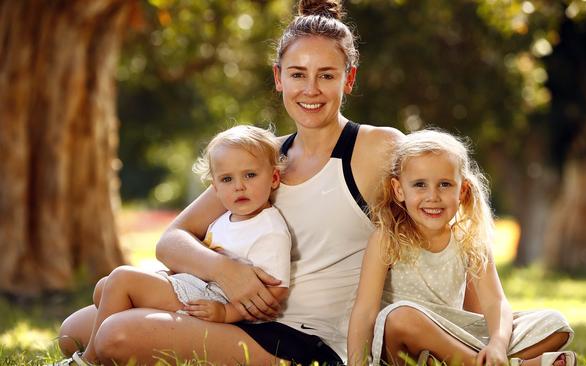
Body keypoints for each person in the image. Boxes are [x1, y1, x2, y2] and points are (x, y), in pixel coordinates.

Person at [57, 0, 408, 364]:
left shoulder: (376, 148)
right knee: (75, 329)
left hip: (306, 338)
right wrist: (227, 272)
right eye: (298, 74)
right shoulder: (264, 157)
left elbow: (451, 219)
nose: (311, 89)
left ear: (348, 79)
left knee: (116, 332)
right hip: (231, 312)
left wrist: (464, 330)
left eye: (327, 75)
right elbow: (171, 240)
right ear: (278, 77)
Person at [54, 125, 292, 366]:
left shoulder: (269, 230)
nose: (238, 186)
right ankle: (134, 334)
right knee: (105, 288)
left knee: (120, 280)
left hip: (212, 301)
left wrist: (226, 313)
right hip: (195, 285)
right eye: (227, 179)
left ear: (273, 178)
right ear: (216, 188)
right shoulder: (225, 218)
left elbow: (275, 291)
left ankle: (89, 361)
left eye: (250, 175)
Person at [347, 129, 576, 366]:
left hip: (452, 338)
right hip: (402, 345)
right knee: (400, 317)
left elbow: (494, 303)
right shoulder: (388, 237)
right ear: (399, 190)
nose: (433, 196)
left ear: (462, 190)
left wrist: (497, 343)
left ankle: (481, 361)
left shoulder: (469, 239)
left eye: (444, 184)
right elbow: (365, 311)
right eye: (419, 185)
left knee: (554, 324)